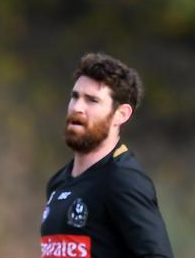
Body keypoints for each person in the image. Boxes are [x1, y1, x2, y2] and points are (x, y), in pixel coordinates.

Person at [40, 52, 173, 258]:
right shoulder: (58, 184)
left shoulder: (123, 181)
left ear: (121, 114)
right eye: (75, 97)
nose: (77, 107)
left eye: (92, 100)